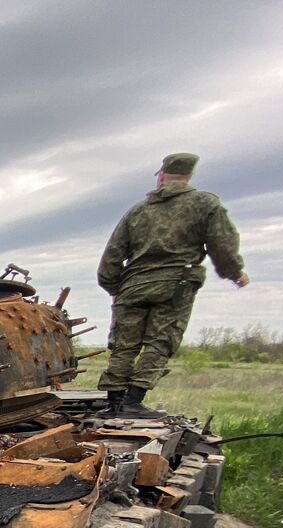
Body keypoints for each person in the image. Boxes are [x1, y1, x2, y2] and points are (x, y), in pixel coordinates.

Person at [97, 152, 249, 417]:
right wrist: (234, 272)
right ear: (188, 175)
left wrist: (114, 288)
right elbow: (222, 244)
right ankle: (133, 401)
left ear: (162, 175)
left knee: (124, 344)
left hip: (133, 285)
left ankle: (113, 403)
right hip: (175, 284)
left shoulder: (138, 211)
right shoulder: (204, 204)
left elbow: (111, 256)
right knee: (160, 341)